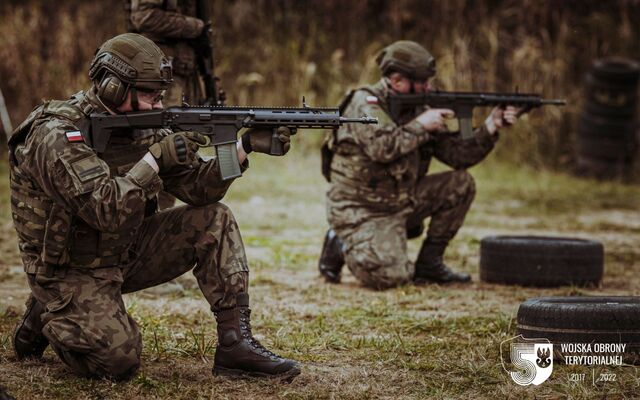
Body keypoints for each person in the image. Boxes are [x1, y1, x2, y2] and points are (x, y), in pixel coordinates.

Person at [9, 33, 299, 381]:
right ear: (113, 86)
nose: (158, 104)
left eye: (161, 95)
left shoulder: (143, 126)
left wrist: (242, 147)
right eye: (149, 95)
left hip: (123, 252)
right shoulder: (56, 134)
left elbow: (198, 191)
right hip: (71, 268)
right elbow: (105, 209)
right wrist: (154, 160)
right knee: (118, 362)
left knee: (214, 220)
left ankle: (236, 346)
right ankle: (51, 309)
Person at [319, 40, 520, 289]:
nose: (428, 87)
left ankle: (429, 265)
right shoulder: (365, 103)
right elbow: (381, 148)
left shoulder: (419, 107)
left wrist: (491, 126)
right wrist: (421, 125)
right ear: (397, 81)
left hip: (400, 198)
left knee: (460, 184)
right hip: (362, 209)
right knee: (391, 277)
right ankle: (340, 241)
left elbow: (458, 157)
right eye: (422, 81)